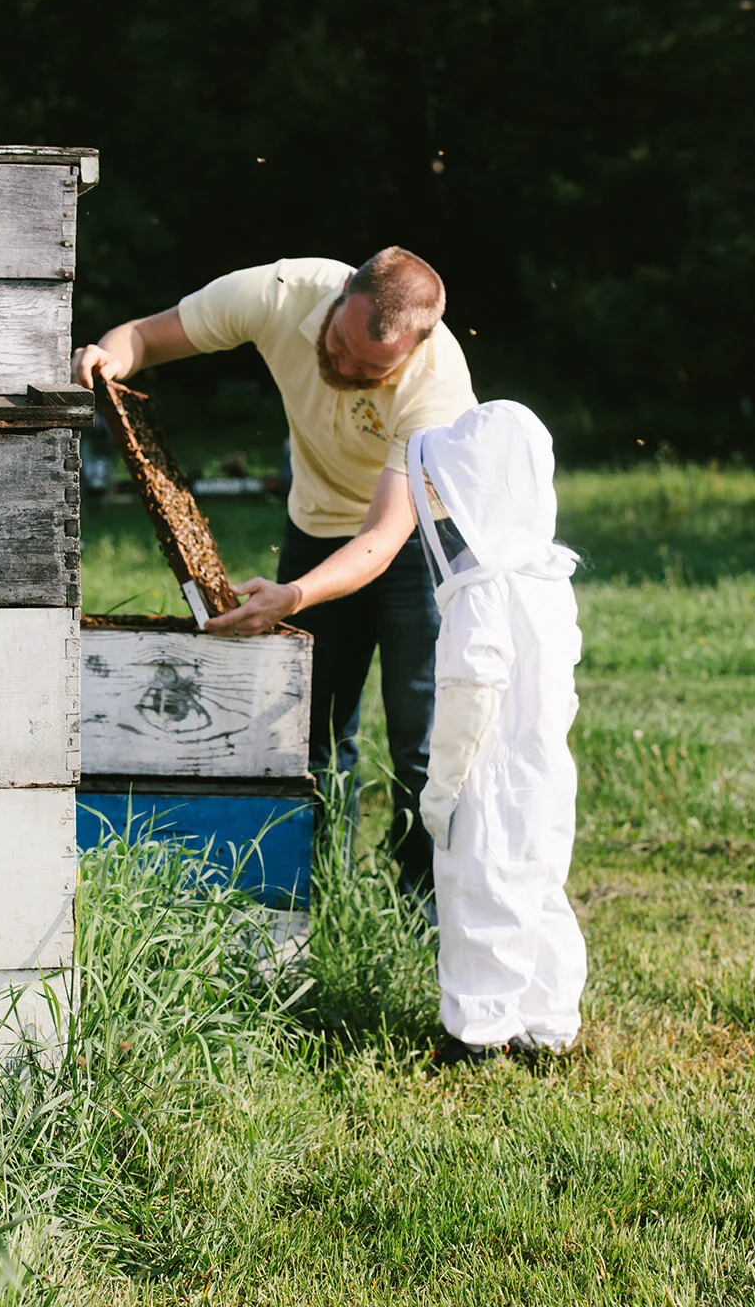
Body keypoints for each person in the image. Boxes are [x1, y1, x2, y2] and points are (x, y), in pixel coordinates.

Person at [72, 249, 476, 901]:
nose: (342, 365)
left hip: (418, 537)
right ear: (342, 295)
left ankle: (420, 911)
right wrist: (110, 360)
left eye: (369, 367)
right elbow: (142, 335)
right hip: (315, 524)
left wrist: (291, 595)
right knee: (309, 735)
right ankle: (309, 897)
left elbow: (381, 536)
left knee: (420, 744)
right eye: (339, 342)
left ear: (415, 348)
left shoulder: (439, 393)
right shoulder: (281, 293)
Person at [207, 400, 586, 1064]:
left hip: (488, 775)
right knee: (538, 887)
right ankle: (547, 1027)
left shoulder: (482, 592)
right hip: (546, 769)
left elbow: (470, 698)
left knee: (478, 896)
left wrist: (441, 788)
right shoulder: (548, 576)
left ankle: (478, 1037)